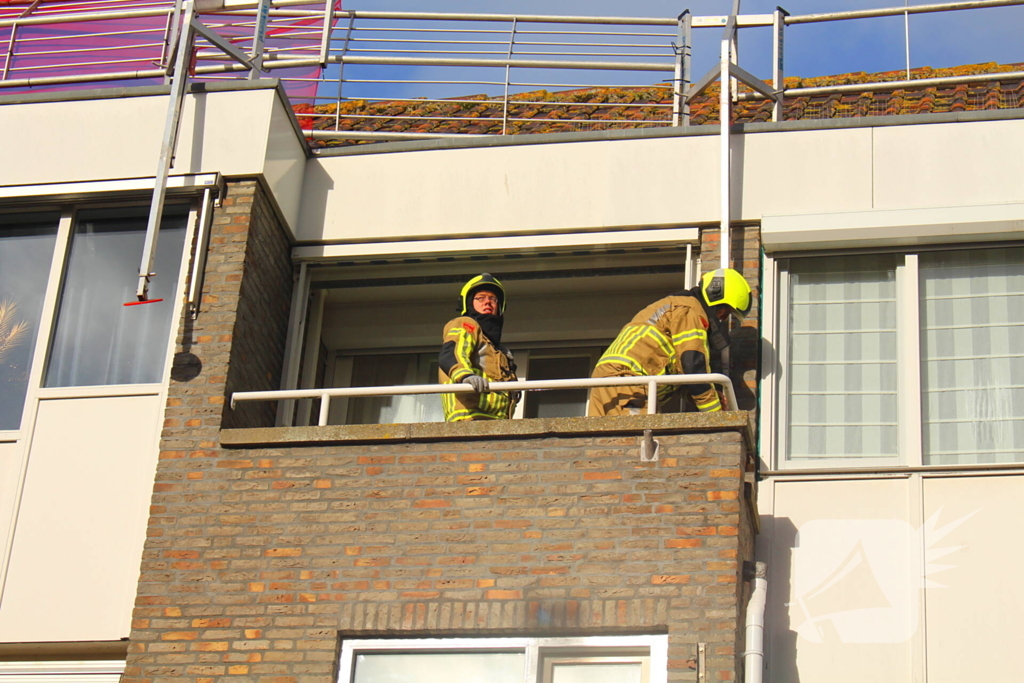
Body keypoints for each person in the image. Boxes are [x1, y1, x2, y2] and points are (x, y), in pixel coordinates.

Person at [587, 268, 752, 417]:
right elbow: (693, 366)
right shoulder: (691, 311)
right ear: (715, 294)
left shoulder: (678, 306)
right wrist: (716, 415)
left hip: (611, 380)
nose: (723, 318)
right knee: (635, 442)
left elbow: (681, 376)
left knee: (606, 446)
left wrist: (707, 395)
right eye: (726, 311)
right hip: (628, 382)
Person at [438, 273, 519, 421]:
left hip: (497, 423)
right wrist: (466, 376)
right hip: (469, 419)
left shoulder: (500, 351)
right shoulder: (466, 324)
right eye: (480, 298)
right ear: (468, 303)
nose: (487, 302)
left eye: (493, 299)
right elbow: (452, 354)